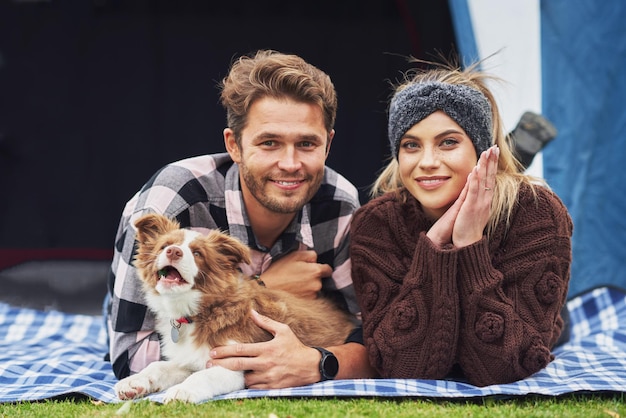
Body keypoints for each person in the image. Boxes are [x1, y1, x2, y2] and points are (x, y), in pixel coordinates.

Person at [105, 49, 376, 388]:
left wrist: (319, 362)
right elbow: (130, 357)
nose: (290, 163)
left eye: (307, 143)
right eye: (269, 143)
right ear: (234, 145)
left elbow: (377, 335)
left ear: (328, 145)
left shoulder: (339, 205)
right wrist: (260, 290)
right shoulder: (172, 201)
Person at [349, 60, 573, 387]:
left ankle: (516, 149)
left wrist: (469, 243)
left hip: (533, 308)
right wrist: (436, 246)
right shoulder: (377, 224)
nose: (426, 162)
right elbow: (401, 366)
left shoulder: (538, 213)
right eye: (411, 145)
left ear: (481, 149)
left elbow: (505, 370)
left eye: (448, 142)